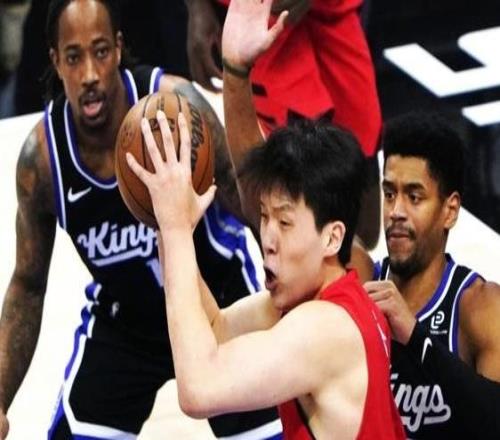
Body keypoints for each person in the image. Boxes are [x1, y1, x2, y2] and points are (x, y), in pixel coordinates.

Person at [0, 0, 282, 438]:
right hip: (125, 323)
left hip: (219, 304)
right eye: (73, 57)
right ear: (55, 61)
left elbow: (251, 201)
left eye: (100, 52)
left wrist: (293, 287)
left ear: (118, 48)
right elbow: (28, 285)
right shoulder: (43, 161)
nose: (89, 75)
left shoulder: (178, 107)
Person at [127, 110, 405, 439]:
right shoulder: (316, 301)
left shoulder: (327, 328)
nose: (268, 240)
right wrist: (169, 228)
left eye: (284, 222)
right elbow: (215, 330)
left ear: (332, 238)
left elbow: (199, 390)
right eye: (263, 216)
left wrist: (174, 228)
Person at [184, 0, 382, 249]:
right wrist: (198, 7)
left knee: (366, 228)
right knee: (296, 208)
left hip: (330, 9)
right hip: (263, 18)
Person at [364, 112, 500, 438]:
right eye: (389, 194)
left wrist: (415, 338)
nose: (396, 212)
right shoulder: (362, 279)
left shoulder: (479, 307)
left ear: (449, 211)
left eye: (414, 197)